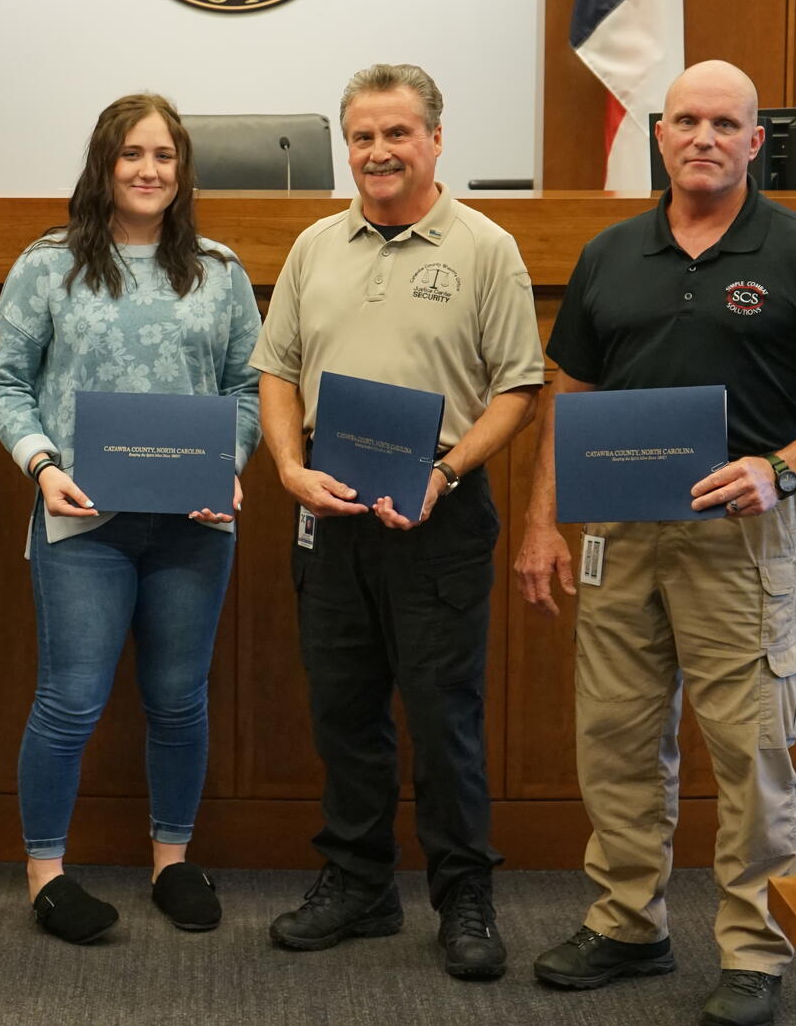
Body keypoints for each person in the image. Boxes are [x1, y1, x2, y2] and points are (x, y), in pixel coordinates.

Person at [514, 60, 796, 1026]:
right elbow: (574, 396)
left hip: (742, 541)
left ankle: (755, 945)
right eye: (686, 119)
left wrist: (780, 468)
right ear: (660, 135)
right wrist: (539, 525)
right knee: (613, 740)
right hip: (619, 537)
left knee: (751, 749)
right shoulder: (613, 253)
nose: (703, 137)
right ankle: (626, 922)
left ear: (754, 140)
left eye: (724, 123)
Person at [250, 63, 542, 979]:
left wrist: (446, 472)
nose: (378, 152)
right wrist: (289, 465)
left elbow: (518, 388)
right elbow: (278, 370)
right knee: (344, 712)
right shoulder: (314, 247)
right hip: (331, 519)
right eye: (363, 136)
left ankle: (464, 897)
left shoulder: (487, 246)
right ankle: (359, 882)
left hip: (438, 518)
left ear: (435, 140)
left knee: (443, 716)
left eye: (397, 134)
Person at [0, 93, 261, 944]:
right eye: (131, 153)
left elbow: (249, 388)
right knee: (70, 699)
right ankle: (47, 873)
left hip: (193, 519)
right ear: (103, 164)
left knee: (179, 700)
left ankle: (172, 862)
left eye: (164, 156)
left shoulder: (219, 269)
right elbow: (4, 382)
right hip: (83, 520)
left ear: (183, 171)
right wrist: (42, 463)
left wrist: (232, 463)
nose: (148, 170)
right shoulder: (47, 265)